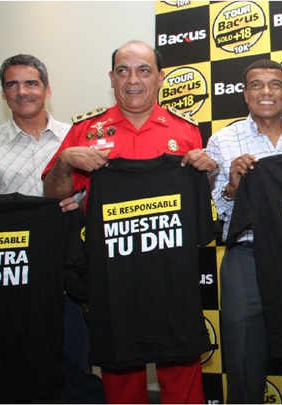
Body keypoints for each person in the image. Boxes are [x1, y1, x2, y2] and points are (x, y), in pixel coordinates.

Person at [42, 40, 218, 404]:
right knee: (120, 378)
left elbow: (200, 201)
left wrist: (208, 171)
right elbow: (52, 198)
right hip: (112, 280)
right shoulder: (86, 129)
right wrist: (65, 161)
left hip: (171, 277)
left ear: (160, 78)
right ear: (111, 78)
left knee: (181, 371)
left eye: (143, 70)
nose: (133, 80)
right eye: (123, 71)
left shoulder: (185, 130)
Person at [0, 54, 105, 404]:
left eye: (31, 83)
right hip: (10, 286)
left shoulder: (77, 138)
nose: (22, 92)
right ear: (3, 93)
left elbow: (101, 202)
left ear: (47, 89)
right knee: (12, 376)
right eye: (12, 85)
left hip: (66, 280)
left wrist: (81, 207)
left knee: (74, 372)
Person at [206, 59, 282, 404]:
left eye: (275, 84)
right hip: (246, 257)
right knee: (243, 362)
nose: (266, 92)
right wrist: (232, 187)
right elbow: (216, 213)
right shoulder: (222, 141)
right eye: (256, 85)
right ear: (245, 94)